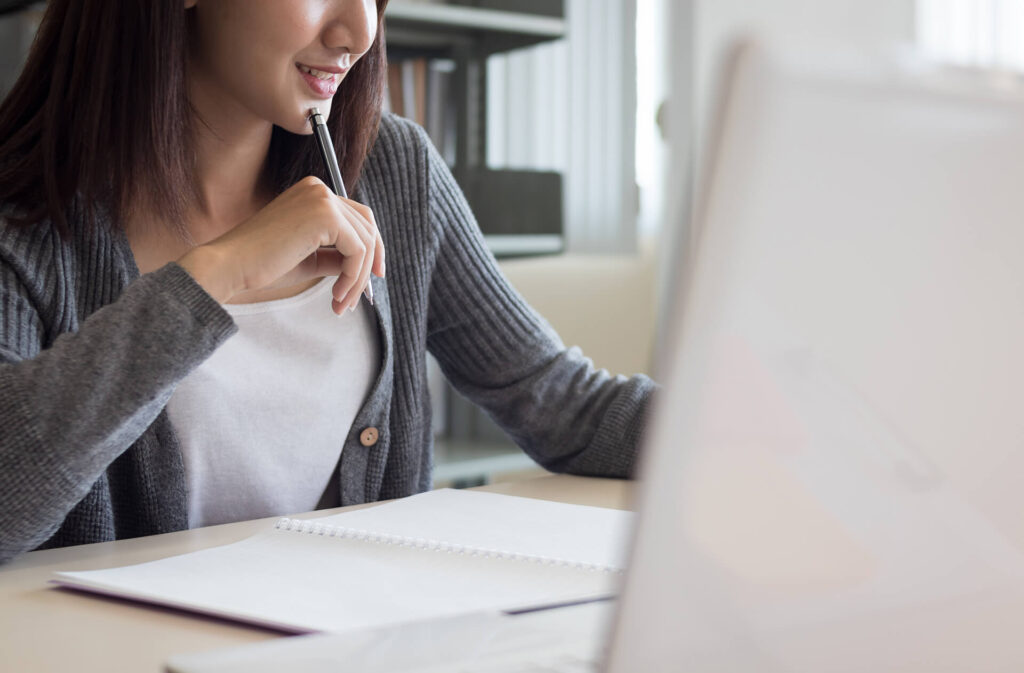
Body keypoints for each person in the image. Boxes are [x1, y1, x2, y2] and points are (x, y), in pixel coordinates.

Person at [0, 0, 656, 564]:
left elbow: (565, 405)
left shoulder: (395, 170)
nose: (357, 31)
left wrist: (747, 426)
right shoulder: (24, 217)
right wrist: (215, 274)